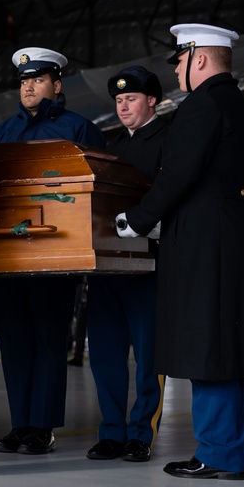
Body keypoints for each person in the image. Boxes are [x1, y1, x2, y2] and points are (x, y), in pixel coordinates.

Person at [116, 24, 244, 480]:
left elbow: (177, 174)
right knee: (225, 347)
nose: (176, 71)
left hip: (206, 240)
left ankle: (221, 454)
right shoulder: (240, 106)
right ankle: (224, 449)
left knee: (210, 347)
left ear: (199, 59)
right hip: (233, 234)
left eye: (180, 61)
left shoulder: (202, 106)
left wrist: (138, 219)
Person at [0, 47, 105, 456]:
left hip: (56, 253)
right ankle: (20, 423)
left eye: (37, 80)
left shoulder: (80, 130)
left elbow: (96, 193)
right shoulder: (0, 133)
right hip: (7, 255)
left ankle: (42, 426)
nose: (29, 87)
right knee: (16, 342)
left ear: (57, 86)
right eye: (23, 81)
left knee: (49, 339)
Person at [85, 65, 168, 463]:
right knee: (104, 354)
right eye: (118, 101)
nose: (123, 106)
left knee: (149, 356)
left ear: (152, 100)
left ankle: (141, 434)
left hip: (147, 265)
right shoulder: (110, 148)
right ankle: (112, 432)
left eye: (130, 99)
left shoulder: (168, 141)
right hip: (108, 267)